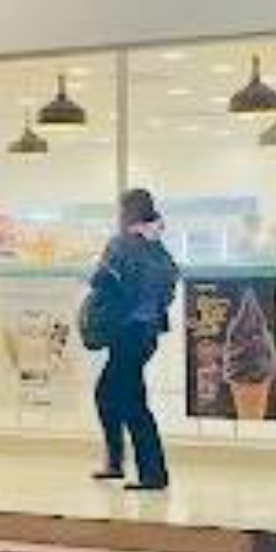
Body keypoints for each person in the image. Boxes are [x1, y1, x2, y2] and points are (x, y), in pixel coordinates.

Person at [89, 188, 181, 491]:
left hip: (125, 331)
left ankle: (151, 473)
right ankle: (119, 463)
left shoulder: (121, 245)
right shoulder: (158, 248)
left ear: (126, 212)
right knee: (112, 393)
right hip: (147, 333)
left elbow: (100, 281)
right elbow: (170, 285)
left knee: (127, 401)